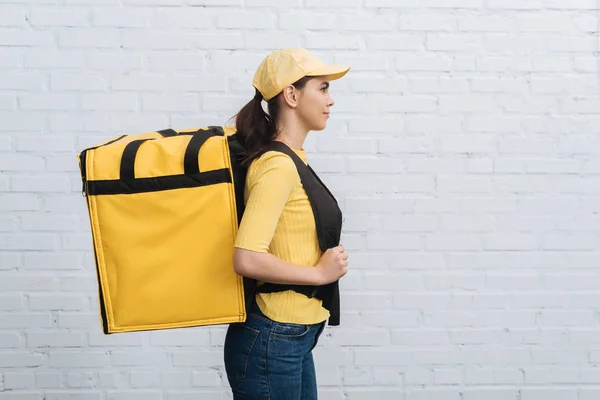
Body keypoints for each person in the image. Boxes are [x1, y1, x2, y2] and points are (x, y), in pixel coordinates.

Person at [223, 48, 351, 399]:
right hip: (272, 339)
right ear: (291, 95)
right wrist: (320, 275)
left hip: (290, 337)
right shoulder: (277, 166)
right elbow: (246, 258)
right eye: (323, 89)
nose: (331, 100)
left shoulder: (293, 160)